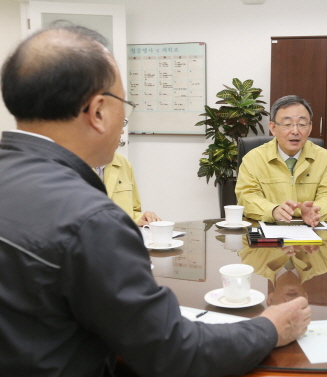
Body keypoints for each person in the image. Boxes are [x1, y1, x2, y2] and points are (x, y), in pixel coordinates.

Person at [0, 25, 310, 377]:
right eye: (125, 104)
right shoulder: (90, 219)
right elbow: (172, 352)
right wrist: (269, 327)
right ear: (98, 111)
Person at [236, 95, 327, 227]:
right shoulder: (253, 158)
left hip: (311, 231)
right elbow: (247, 197)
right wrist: (273, 210)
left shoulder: (325, 158)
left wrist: (315, 211)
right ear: (273, 128)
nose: (295, 131)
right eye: (287, 124)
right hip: (269, 232)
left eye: (302, 124)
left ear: (309, 128)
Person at [96, 152, 160, 225]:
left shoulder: (122, 162)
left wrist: (142, 219)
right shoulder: (80, 165)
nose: (119, 141)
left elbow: (133, 211)